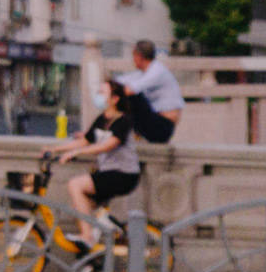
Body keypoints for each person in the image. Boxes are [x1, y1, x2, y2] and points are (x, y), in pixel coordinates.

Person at [44, 76, 141, 249]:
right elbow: (86, 140)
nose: (98, 95)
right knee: (79, 206)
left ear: (115, 99)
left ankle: (88, 237)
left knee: (75, 185)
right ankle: (93, 252)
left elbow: (107, 145)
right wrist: (56, 149)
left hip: (124, 175)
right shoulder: (102, 118)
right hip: (108, 173)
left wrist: (76, 153)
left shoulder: (123, 121)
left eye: (102, 92)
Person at [120, 39, 185, 147]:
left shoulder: (157, 71)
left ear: (139, 56)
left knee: (132, 97)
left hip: (163, 127)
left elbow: (130, 90)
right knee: (124, 94)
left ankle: (117, 133)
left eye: (133, 56)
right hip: (154, 122)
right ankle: (121, 134)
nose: (133, 60)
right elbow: (122, 80)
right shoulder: (144, 73)